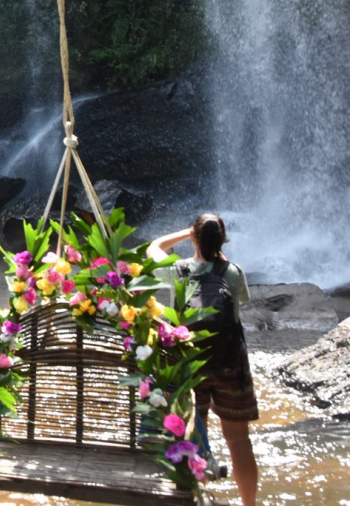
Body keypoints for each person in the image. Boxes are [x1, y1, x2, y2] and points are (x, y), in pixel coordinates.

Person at [148, 213, 258, 506]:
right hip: (229, 363)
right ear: (222, 239)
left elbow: (153, 247)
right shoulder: (233, 272)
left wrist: (186, 234)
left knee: (195, 439)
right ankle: (249, 503)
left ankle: (198, 497)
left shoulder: (178, 269)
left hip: (190, 362)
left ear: (194, 238)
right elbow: (237, 306)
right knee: (238, 440)